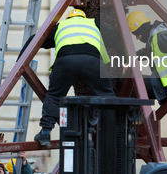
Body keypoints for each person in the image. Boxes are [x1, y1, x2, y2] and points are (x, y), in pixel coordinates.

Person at [33, 8, 115, 147]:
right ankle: (113, 130)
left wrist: (21, 60)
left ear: (68, 18)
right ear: (84, 17)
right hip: (92, 62)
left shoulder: (61, 26)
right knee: (106, 95)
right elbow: (116, 36)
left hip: (66, 62)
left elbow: (37, 40)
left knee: (54, 96)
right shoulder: (93, 23)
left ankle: (45, 133)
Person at [126, 11, 167, 103]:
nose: (137, 38)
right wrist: (129, 58)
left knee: (132, 85)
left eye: (137, 34)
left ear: (142, 29)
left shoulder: (161, 37)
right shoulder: (153, 39)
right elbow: (147, 52)